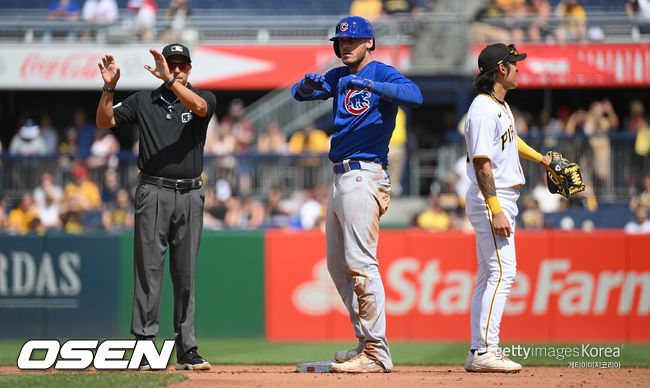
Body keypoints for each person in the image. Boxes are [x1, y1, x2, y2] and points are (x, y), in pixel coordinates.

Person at [291, 16, 422, 373]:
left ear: (369, 43)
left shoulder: (381, 72)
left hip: (365, 173)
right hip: (339, 177)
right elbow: (297, 94)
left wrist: (368, 82)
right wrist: (306, 85)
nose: (345, 46)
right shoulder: (338, 75)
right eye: (340, 42)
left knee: (362, 264)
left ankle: (377, 352)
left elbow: (415, 96)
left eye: (352, 41)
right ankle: (366, 342)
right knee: (337, 266)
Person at [96, 42, 216, 371]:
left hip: (190, 193)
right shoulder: (143, 101)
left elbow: (202, 109)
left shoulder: (202, 97)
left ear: (189, 69)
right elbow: (105, 121)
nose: (176, 68)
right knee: (148, 271)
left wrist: (171, 81)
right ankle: (146, 345)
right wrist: (109, 87)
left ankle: (187, 348)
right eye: (171, 64)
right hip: (153, 190)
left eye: (181, 65)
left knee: (185, 273)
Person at [463, 43, 552, 373]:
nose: (519, 68)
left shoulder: (498, 105)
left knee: (489, 274)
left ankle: (478, 349)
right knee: (503, 272)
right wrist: (496, 208)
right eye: (515, 63)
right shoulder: (483, 110)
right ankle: (487, 350)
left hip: (499, 198)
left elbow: (510, 141)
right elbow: (482, 163)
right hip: (494, 198)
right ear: (501, 69)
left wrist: (541, 158)